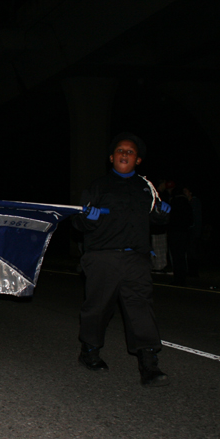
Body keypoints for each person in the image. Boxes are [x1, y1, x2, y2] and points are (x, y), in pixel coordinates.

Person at [72, 132, 172, 387]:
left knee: (141, 309)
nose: (125, 153)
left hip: (136, 259)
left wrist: (161, 215)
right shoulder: (97, 186)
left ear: (138, 160)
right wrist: (88, 218)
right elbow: (78, 221)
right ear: (111, 157)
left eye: (130, 151)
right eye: (120, 150)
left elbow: (156, 220)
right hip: (102, 257)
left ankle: (148, 363)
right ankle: (90, 351)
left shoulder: (145, 188)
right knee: (98, 307)